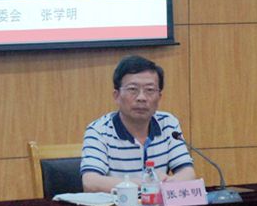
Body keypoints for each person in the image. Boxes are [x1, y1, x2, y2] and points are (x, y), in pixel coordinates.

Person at [80, 55, 197, 192]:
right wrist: (146, 184)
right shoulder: (99, 131)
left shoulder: (168, 124)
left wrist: (169, 183)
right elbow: (90, 182)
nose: (141, 98)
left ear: (159, 97)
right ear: (116, 96)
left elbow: (188, 173)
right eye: (133, 89)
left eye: (150, 90)